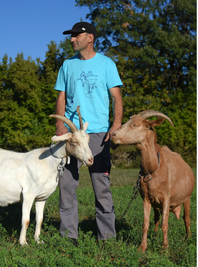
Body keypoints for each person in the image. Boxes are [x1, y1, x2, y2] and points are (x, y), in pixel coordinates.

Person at [53, 22, 123, 243]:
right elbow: (61, 97)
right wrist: (60, 126)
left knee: (101, 185)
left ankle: (107, 238)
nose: (72, 39)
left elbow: (116, 97)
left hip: (98, 134)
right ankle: (68, 235)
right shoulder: (67, 65)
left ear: (90, 38)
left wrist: (116, 124)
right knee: (66, 185)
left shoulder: (106, 64)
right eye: (71, 36)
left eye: (76, 35)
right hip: (72, 136)